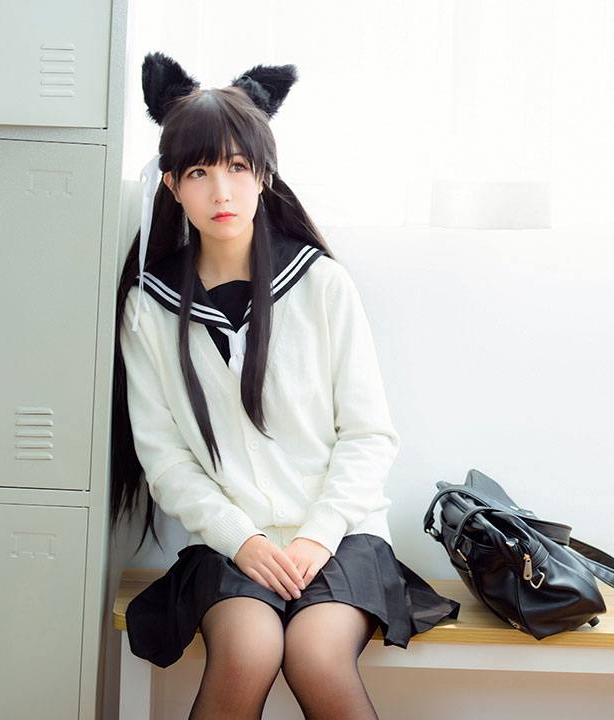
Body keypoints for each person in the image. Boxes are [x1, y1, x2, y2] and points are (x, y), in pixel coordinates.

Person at [109, 51, 460, 720]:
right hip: (229, 541)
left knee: (315, 654)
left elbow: (368, 435)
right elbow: (165, 458)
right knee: (248, 650)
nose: (221, 191)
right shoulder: (149, 307)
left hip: (341, 533)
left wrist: (316, 536)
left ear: (264, 176)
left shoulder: (321, 284)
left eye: (238, 167)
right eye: (199, 172)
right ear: (172, 184)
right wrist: (242, 538)